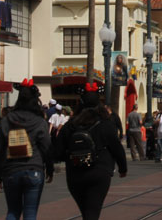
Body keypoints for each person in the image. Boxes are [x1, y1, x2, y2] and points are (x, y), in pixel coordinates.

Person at [53, 83, 127, 220]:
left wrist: (70, 157)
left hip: (75, 173)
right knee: (92, 211)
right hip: (99, 171)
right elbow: (116, 147)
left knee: (87, 212)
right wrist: (122, 168)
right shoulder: (105, 123)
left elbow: (57, 151)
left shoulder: (71, 124)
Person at [0, 82, 53, 220]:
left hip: (10, 171)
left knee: (13, 211)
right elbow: (46, 147)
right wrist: (49, 169)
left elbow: (0, 150)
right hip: (34, 169)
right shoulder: (39, 121)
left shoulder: (7, 120)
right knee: (30, 213)